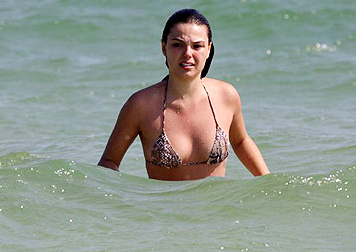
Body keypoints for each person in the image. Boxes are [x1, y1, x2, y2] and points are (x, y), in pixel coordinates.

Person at [98, 9, 270, 181]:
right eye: (178, 45)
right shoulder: (141, 105)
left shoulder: (226, 96)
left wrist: (268, 182)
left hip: (216, 206)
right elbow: (109, 161)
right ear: (164, 47)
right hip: (163, 206)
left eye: (197, 46)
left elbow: (240, 141)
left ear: (209, 49)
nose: (188, 53)